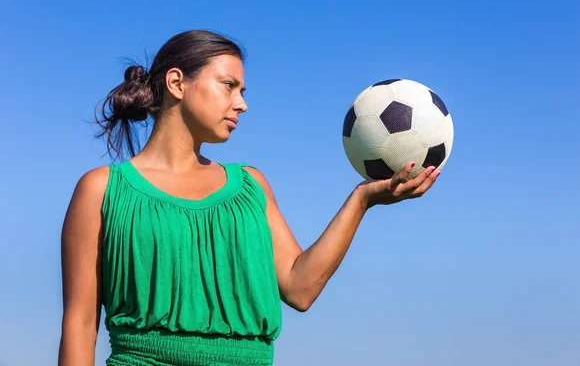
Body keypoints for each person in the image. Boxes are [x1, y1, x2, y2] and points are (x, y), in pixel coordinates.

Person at [58, 30, 440, 366]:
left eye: (242, 92)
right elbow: (79, 322)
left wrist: (362, 200)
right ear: (177, 82)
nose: (241, 104)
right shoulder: (103, 189)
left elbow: (300, 288)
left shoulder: (250, 187)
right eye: (229, 86)